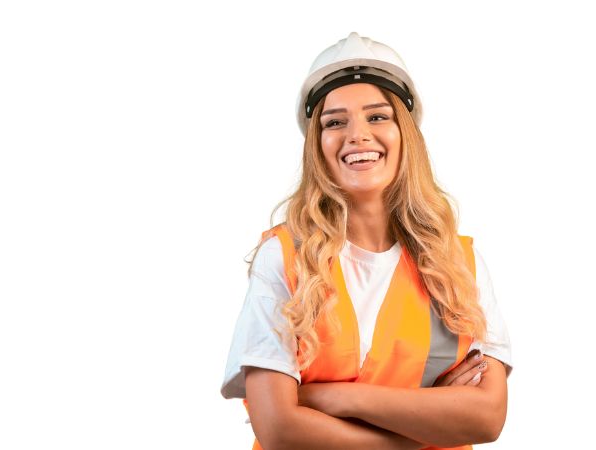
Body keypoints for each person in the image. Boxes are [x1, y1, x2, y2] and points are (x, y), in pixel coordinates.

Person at [220, 32, 513, 450]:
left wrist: (330, 397)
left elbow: (487, 418)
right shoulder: (285, 258)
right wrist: (428, 426)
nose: (357, 135)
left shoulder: (459, 264)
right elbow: (279, 430)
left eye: (377, 117)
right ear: (316, 145)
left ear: (405, 133)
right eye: (334, 122)